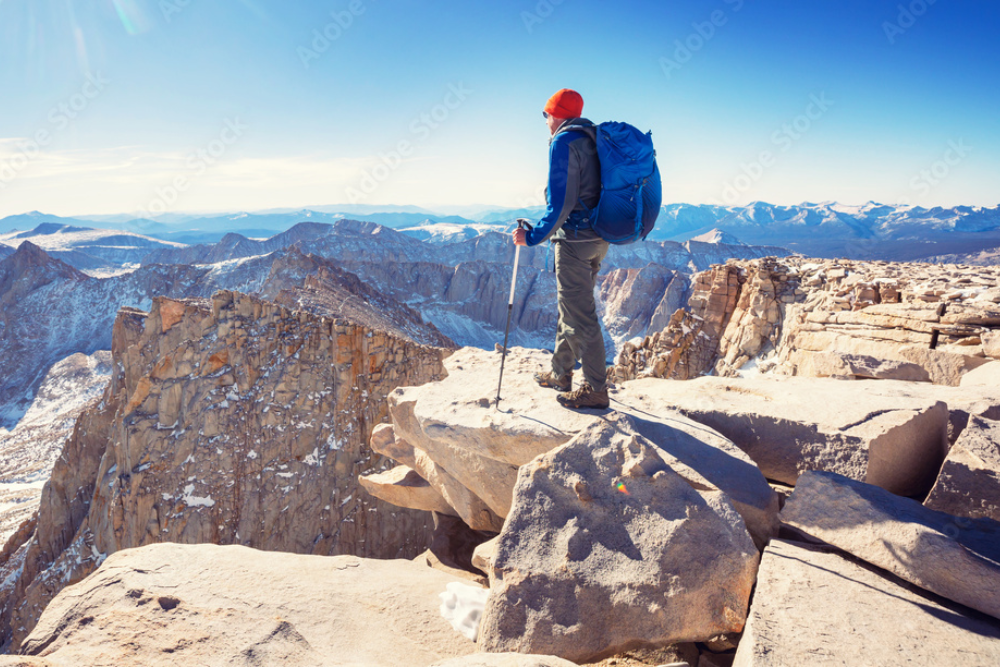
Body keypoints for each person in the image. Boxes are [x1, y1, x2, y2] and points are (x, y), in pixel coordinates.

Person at [513, 88, 609, 410]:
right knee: (571, 309)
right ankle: (560, 373)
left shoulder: (564, 142)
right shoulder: (592, 138)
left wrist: (532, 237)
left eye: (546, 114)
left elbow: (561, 203)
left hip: (574, 242)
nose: (545, 120)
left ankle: (596, 389)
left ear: (556, 114)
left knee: (581, 317)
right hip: (598, 239)